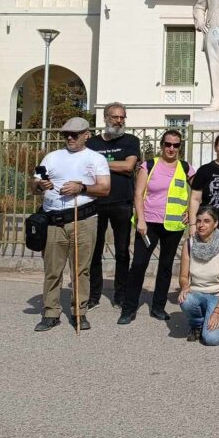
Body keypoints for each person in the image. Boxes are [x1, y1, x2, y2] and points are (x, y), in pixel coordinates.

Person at [31, 117, 111, 333]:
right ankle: (50, 312)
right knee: (52, 269)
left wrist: (81, 188)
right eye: (66, 134)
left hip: (82, 220)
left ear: (87, 135)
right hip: (53, 221)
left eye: (75, 134)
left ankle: (79, 312)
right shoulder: (51, 157)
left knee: (80, 270)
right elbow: (34, 186)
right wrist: (40, 185)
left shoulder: (95, 159)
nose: (70, 138)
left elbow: (104, 188)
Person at [118, 130, 194, 325]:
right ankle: (128, 309)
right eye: (168, 144)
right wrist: (141, 220)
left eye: (176, 145)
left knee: (166, 267)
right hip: (149, 223)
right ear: (162, 145)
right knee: (138, 265)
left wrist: (190, 210)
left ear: (180, 147)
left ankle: (158, 307)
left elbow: (197, 193)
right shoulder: (149, 165)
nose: (171, 148)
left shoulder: (186, 168)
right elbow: (138, 193)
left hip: (174, 225)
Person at [85, 102, 140, 309]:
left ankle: (120, 294)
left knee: (122, 252)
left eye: (122, 117)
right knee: (95, 251)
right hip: (96, 202)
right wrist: (110, 165)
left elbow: (128, 166)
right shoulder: (92, 144)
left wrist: (99, 164)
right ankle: (93, 295)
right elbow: (85, 168)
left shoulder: (131, 141)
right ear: (105, 118)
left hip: (122, 203)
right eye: (115, 117)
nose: (119, 121)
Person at [178, 206, 219, 345]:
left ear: (215, 223)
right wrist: (185, 286)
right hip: (197, 293)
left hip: (218, 296)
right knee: (185, 300)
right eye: (198, 221)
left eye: (206, 221)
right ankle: (197, 324)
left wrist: (217, 311)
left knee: (211, 339)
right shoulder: (189, 243)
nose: (201, 225)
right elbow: (183, 276)